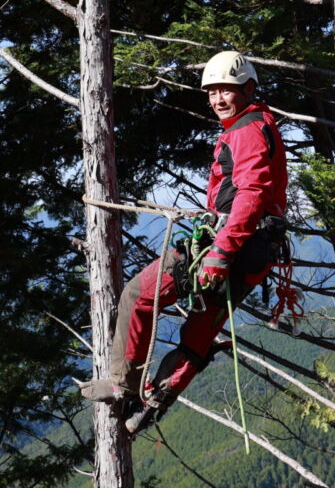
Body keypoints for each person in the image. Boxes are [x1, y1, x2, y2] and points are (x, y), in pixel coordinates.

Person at [80, 50, 289, 433]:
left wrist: (219, 255)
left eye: (226, 90)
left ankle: (122, 384)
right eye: (211, 93)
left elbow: (251, 194)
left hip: (231, 245)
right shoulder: (259, 125)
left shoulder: (245, 131)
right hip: (257, 250)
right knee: (198, 335)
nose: (217, 100)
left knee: (138, 295)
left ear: (248, 89)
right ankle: (148, 410)